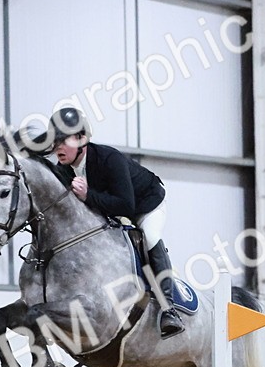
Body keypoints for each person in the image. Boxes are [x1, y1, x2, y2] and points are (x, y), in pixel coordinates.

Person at [32, 107, 185, 339]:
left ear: (82, 140)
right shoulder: (64, 170)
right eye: (55, 142)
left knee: (149, 236)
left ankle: (169, 309)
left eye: (63, 141)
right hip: (113, 208)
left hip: (146, 203)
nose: (57, 148)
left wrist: (88, 195)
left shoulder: (108, 159)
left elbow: (126, 206)